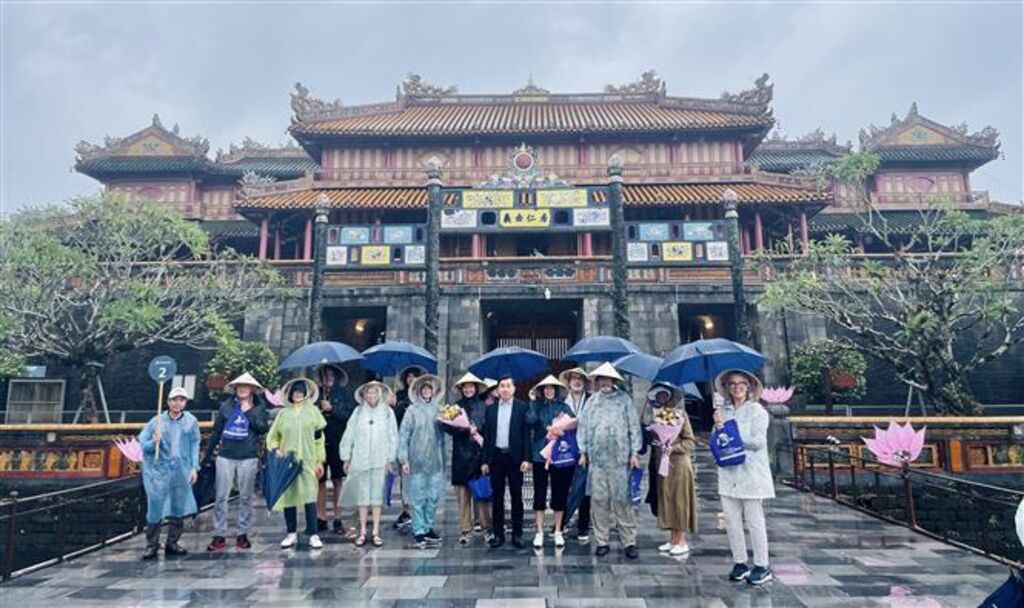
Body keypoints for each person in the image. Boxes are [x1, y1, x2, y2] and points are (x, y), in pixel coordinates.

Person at [713, 369, 774, 585]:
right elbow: (717, 442)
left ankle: (762, 564)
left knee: (754, 520)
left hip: (751, 472)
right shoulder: (722, 412)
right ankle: (739, 562)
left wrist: (732, 431)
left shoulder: (757, 411)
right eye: (731, 384)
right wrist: (718, 428)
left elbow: (757, 442)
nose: (736, 388)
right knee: (731, 521)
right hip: (729, 473)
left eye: (741, 384)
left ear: (749, 387)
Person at [577, 362, 641, 559]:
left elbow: (633, 426)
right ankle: (602, 540)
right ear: (597, 382)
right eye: (601, 380)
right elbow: (583, 427)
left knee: (622, 501)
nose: (605, 383)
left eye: (608, 379)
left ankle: (629, 540)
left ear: (613, 381)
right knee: (599, 501)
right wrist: (582, 451)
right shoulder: (592, 402)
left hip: (620, 460)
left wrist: (635, 452)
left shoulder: (624, 400)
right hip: (597, 461)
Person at [205, 373, 270, 552]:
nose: (242, 389)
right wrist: (207, 453)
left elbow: (262, 428)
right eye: (239, 386)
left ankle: (243, 533)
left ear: (252, 389)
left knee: (245, 496)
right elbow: (217, 431)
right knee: (221, 496)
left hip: (248, 455)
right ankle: (219, 534)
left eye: (246, 386)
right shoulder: (226, 406)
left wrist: (249, 412)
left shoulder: (259, 407)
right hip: (226, 454)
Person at [138, 387, 200, 560]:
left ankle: (172, 542)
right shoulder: (156, 421)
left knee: (178, 506)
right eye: (174, 400)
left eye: (181, 400)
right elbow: (142, 443)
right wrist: (153, 442)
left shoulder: (191, 421)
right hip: (159, 470)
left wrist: (194, 467)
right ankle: (152, 544)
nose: (177, 403)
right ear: (168, 401)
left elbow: (195, 444)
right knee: (155, 507)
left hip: (181, 469)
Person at [266, 377, 327, 550]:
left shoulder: (313, 412)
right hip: (289, 461)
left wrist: (319, 460)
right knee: (289, 497)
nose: (298, 394)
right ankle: (291, 532)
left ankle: (313, 533)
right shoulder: (283, 414)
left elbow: (319, 439)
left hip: (308, 459)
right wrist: (276, 449)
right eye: (295, 391)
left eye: (301, 391)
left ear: (306, 393)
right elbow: (273, 437)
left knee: (310, 495)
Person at [338, 381, 399, 547]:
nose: (372, 395)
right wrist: (346, 457)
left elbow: (393, 436)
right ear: (364, 395)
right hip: (360, 459)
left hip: (380, 459)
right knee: (362, 497)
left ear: (380, 394)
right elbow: (349, 434)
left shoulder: (387, 412)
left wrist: (390, 459)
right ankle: (363, 531)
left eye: (375, 392)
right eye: (369, 392)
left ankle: (376, 532)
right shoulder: (358, 412)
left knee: (377, 497)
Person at [642, 383, 697, 557]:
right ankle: (673, 538)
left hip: (679, 465)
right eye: (659, 396)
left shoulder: (681, 415)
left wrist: (674, 447)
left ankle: (682, 540)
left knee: (680, 501)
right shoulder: (658, 417)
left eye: (665, 395)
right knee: (668, 500)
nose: (662, 399)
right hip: (663, 465)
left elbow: (690, 442)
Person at [397, 374, 447, 548]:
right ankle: (418, 530)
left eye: (429, 388)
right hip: (416, 459)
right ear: (419, 391)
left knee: (433, 496)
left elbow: (446, 431)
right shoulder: (412, 411)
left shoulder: (439, 409)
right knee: (417, 497)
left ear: (433, 391)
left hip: (435, 459)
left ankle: (428, 527)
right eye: (423, 389)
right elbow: (404, 435)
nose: (426, 391)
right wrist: (404, 459)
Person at [481, 375, 531, 549]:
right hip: (496, 457)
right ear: (497, 389)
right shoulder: (491, 409)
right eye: (502, 386)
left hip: (515, 457)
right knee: (497, 497)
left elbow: (526, 435)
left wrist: (527, 458)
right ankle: (498, 534)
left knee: (517, 496)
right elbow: (487, 437)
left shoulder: (522, 407)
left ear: (514, 389)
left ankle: (517, 534)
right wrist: (485, 460)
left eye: (508, 386)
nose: (505, 389)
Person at [526, 374, 574, 549]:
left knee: (559, 492)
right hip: (540, 454)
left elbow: (573, 426)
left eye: (552, 388)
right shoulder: (537, 406)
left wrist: (561, 430)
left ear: (557, 390)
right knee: (539, 492)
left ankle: (558, 530)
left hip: (559, 455)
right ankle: (539, 531)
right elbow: (529, 420)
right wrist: (532, 402)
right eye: (545, 388)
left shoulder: (564, 407)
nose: (549, 391)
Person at [443, 372, 491, 545]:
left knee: (482, 497)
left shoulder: (484, 406)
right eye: (465, 387)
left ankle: (486, 528)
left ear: (476, 388)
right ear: (461, 389)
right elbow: (447, 428)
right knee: (463, 498)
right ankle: (465, 529)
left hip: (479, 456)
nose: (468, 390)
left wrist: (478, 432)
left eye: (471, 387)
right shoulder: (455, 407)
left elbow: (489, 431)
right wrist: (465, 430)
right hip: (461, 458)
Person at [317, 365, 357, 535]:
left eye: (331, 375)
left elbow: (349, 417)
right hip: (318, 442)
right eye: (325, 375)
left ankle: (338, 518)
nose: (328, 378)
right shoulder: (315, 394)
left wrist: (332, 409)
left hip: (337, 440)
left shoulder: (344, 394)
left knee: (337, 480)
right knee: (319, 480)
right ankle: (321, 517)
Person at [391, 365, 425, 530]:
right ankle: (406, 510)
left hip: (420, 443)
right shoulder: (399, 396)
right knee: (405, 478)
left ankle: (418, 510)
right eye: (408, 377)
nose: (411, 379)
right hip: (403, 442)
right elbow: (396, 418)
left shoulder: (423, 396)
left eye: (414, 376)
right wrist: (397, 406)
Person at [560, 367, 592, 542]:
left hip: (586, 449)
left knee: (584, 488)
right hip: (566, 448)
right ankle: (562, 522)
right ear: (569, 381)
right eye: (573, 378)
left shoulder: (591, 400)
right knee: (566, 486)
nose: (577, 381)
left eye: (580, 379)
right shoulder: (562, 401)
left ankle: (582, 526)